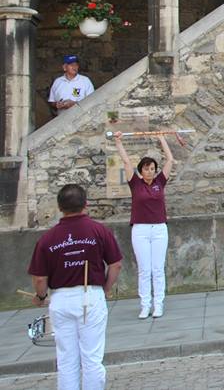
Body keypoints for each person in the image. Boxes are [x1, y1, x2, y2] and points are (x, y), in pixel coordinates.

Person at [28, 184, 123, 390]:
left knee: (67, 360)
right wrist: (105, 289)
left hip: (61, 299)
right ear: (85, 204)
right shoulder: (99, 230)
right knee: (91, 359)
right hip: (90, 295)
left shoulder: (47, 238)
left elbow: (39, 279)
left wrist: (40, 296)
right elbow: (115, 264)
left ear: (60, 207)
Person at [114, 134, 175, 319]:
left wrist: (161, 138)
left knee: (157, 268)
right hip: (140, 229)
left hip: (159, 229)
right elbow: (125, 160)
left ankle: (158, 304)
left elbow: (170, 159)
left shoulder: (160, 183)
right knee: (144, 269)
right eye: (147, 169)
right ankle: (144, 305)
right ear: (141, 171)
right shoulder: (135, 184)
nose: (150, 172)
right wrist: (118, 141)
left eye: (152, 169)